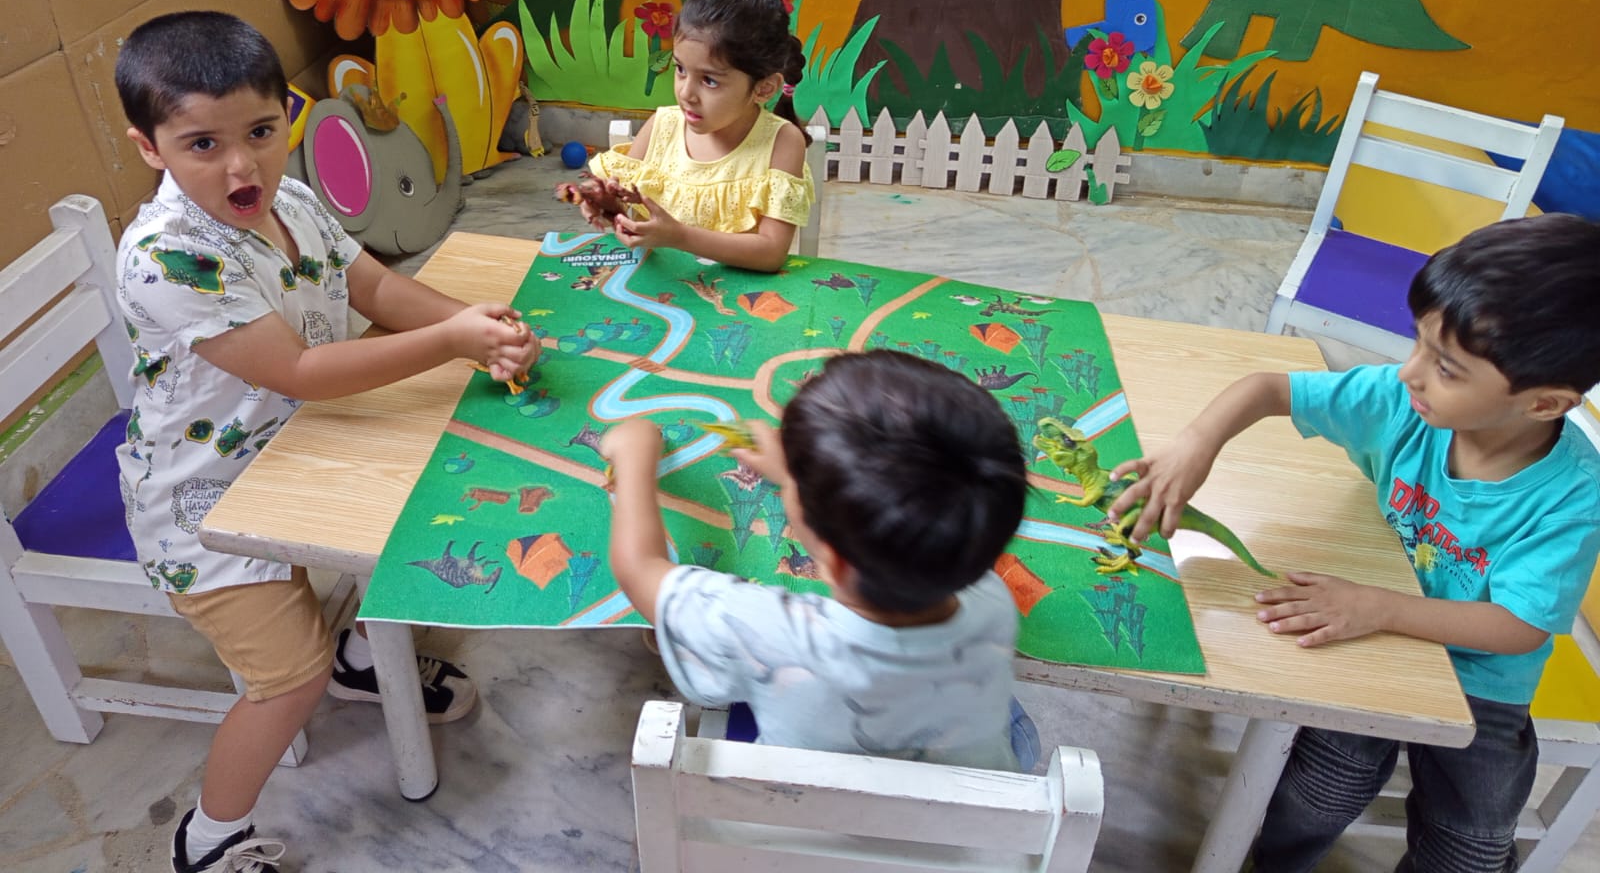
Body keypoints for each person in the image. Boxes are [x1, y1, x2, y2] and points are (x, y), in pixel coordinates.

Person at [112, 12, 540, 873]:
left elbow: (372, 286)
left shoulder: (293, 199)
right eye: (203, 144)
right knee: (287, 680)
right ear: (149, 148)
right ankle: (209, 838)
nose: (243, 166)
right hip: (206, 508)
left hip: (304, 446)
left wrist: (467, 324)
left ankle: (363, 658)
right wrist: (452, 342)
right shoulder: (168, 256)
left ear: (289, 117)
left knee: (429, 508)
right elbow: (301, 371)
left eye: (261, 132)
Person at [1106, 213, 1600, 872]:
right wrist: (1195, 444)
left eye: (1446, 368)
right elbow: (1265, 389)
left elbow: (1517, 628)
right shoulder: (1404, 402)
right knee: (1317, 794)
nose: (1409, 373)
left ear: (1543, 404)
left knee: (1471, 847)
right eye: (1417, 343)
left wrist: (1377, 607)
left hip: (1480, 681)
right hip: (1369, 634)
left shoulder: (1573, 495)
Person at [602, 349, 1039, 770]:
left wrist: (634, 456)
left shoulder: (767, 632)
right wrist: (803, 476)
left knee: (732, 678)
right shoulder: (992, 598)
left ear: (836, 564)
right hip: (968, 801)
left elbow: (639, 566)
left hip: (798, 810)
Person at [584, 0, 814, 272]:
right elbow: (621, 202)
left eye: (709, 80)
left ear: (764, 88)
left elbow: (771, 253)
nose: (686, 93)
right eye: (680, 69)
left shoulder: (782, 142)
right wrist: (602, 202)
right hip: (657, 287)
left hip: (736, 296)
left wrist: (680, 237)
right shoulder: (662, 127)